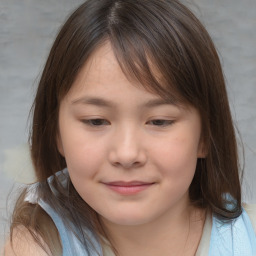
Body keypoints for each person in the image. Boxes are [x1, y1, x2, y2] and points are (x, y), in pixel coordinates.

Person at [4, 0, 256, 255]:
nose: (126, 154)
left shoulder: (249, 237)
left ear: (205, 134)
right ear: (56, 132)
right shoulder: (37, 246)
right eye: (96, 121)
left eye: (159, 121)